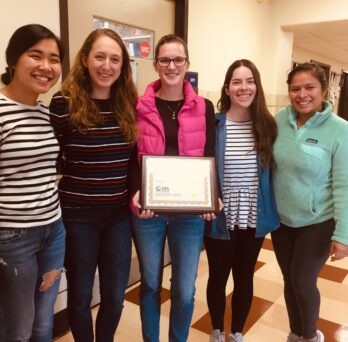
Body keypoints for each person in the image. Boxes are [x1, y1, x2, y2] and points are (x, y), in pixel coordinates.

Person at [49, 29, 138, 342]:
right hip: (77, 215)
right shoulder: (64, 103)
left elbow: (131, 162)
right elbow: (51, 158)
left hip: (118, 215)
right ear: (85, 58)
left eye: (115, 59)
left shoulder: (128, 102)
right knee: (80, 295)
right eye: (100, 56)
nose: (107, 65)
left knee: (115, 296)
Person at [130, 34, 216, 342]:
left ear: (187, 64)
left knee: (183, 288)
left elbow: (210, 153)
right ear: (155, 65)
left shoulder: (204, 107)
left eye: (178, 59)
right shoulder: (138, 107)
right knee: (151, 283)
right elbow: (131, 157)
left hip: (188, 214)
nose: (172, 66)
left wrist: (211, 195)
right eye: (165, 60)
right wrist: (136, 192)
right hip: (149, 213)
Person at [271, 62, 348, 342]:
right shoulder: (279, 120)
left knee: (303, 282)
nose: (302, 94)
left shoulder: (340, 130)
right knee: (289, 281)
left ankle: (310, 335)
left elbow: (344, 185)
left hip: (317, 222)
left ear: (324, 90)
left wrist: (343, 235)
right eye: (295, 88)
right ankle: (296, 334)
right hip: (281, 221)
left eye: (309, 87)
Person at [204, 59, 279, 342]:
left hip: (253, 213)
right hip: (220, 213)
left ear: (257, 87)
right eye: (237, 82)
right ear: (227, 88)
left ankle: (236, 333)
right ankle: (216, 330)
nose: (243, 87)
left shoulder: (267, 127)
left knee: (245, 275)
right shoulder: (214, 123)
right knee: (218, 275)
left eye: (250, 81)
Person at [0, 24, 65, 342]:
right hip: (14, 238)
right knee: (19, 327)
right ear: (13, 60)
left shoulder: (43, 111)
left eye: (54, 59)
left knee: (43, 323)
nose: (46, 66)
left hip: (53, 230)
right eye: (35, 55)